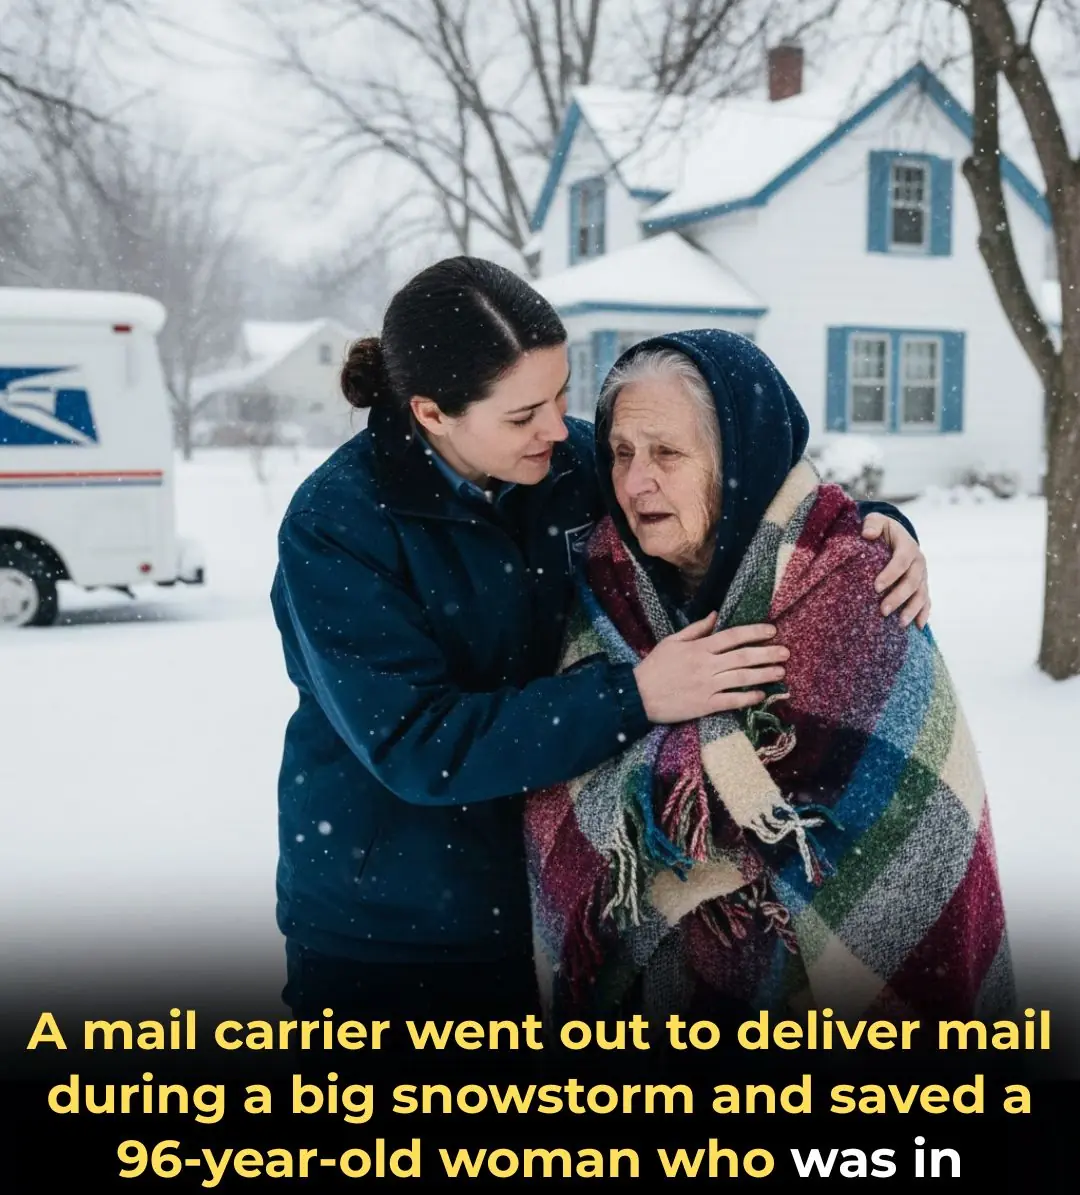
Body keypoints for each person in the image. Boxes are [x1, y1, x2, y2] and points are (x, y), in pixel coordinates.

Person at [270, 258, 930, 1019]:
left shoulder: (571, 463)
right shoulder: (338, 525)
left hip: (559, 899)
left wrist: (867, 535)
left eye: (559, 395)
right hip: (394, 927)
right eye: (523, 415)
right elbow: (419, 743)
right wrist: (635, 694)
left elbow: (737, 496)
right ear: (431, 413)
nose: (557, 428)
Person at [526, 331, 1014, 1022]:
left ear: (739, 459)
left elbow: (909, 823)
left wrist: (686, 782)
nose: (636, 482)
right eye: (622, 454)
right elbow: (560, 781)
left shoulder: (853, 583)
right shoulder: (602, 585)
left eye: (667, 453)